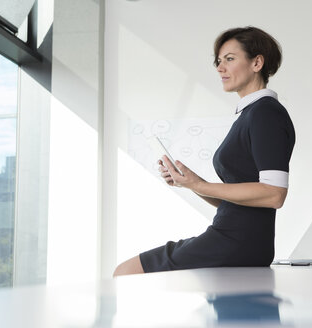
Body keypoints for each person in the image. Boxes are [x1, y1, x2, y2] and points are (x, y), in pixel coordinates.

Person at [113, 26, 295, 276]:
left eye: (230, 59)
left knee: (126, 272)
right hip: (238, 241)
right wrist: (192, 183)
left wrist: (199, 186)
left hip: (233, 243)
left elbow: (274, 194)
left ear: (257, 63)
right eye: (218, 61)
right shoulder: (252, 114)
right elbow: (241, 204)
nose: (220, 68)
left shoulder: (265, 113)